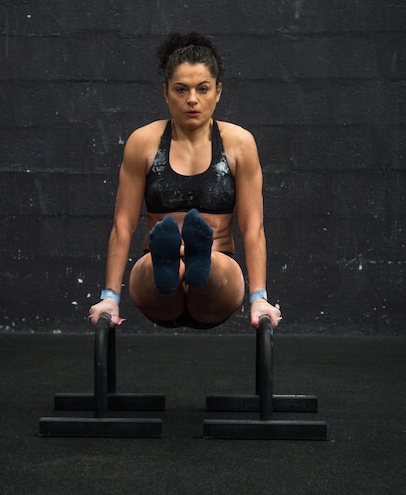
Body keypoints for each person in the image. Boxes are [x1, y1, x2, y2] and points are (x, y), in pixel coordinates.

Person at [89, 32, 282, 330]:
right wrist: (110, 297)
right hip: (156, 281)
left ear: (218, 91)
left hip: (219, 277)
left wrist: (259, 298)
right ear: (166, 92)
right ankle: (171, 264)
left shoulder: (239, 144)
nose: (192, 99)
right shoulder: (144, 142)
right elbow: (123, 224)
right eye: (181, 89)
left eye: (202, 89)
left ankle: (199, 262)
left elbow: (252, 226)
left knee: (211, 268)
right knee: (158, 269)